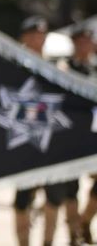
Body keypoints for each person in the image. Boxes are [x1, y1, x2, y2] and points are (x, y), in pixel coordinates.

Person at [11, 16, 71, 246]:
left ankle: (48, 241)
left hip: (50, 141)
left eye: (41, 35)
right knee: (22, 197)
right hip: (24, 140)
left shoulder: (57, 67)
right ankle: (23, 241)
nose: (38, 39)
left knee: (54, 195)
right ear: (23, 38)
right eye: (33, 35)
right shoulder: (14, 67)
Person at [70, 23, 97, 242]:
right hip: (70, 135)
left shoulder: (95, 69)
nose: (86, 45)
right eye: (82, 41)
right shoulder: (63, 67)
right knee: (70, 187)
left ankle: (85, 220)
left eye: (89, 40)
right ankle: (73, 233)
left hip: (94, 135)